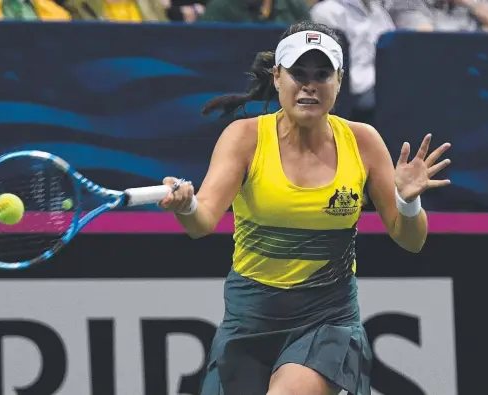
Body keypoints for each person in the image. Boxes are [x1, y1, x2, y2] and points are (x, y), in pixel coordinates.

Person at [158, 21, 451, 395]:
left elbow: (411, 240)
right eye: (298, 73)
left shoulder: (362, 141)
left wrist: (408, 202)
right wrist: (186, 205)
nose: (309, 84)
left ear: (339, 80)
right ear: (277, 77)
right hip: (248, 319)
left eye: (322, 74)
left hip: (327, 320)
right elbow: (202, 222)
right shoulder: (244, 138)